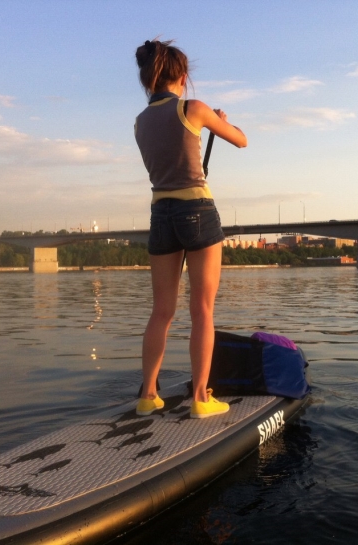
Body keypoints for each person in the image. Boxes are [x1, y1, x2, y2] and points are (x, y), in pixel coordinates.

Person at [133, 39, 247, 418]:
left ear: (149, 79)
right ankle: (201, 397)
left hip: (160, 213)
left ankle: (148, 395)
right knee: (202, 309)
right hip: (197, 209)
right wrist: (220, 121)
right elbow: (242, 141)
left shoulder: (140, 122)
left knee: (161, 311)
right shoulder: (193, 109)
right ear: (182, 76)